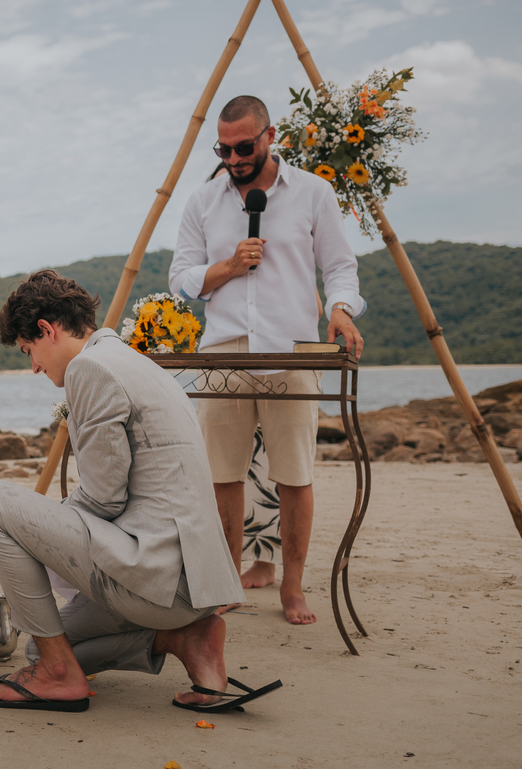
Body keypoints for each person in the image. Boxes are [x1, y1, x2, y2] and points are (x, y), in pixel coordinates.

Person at [0, 270, 279, 714]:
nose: (34, 366)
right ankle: (183, 639)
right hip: (198, 587)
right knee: (42, 646)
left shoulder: (90, 368)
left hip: (160, 578)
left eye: (27, 350)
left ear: (47, 330)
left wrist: (40, 537)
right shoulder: (137, 362)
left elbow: (104, 499)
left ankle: (57, 674)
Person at [169, 95, 367, 625]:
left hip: (291, 349)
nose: (234, 158)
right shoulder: (202, 201)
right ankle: (226, 580)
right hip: (223, 353)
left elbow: (340, 267)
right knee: (221, 475)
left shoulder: (313, 192)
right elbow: (181, 280)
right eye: (224, 149)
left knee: (295, 476)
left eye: (243, 147)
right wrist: (229, 266)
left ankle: (293, 587)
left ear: (270, 135)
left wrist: (342, 310)